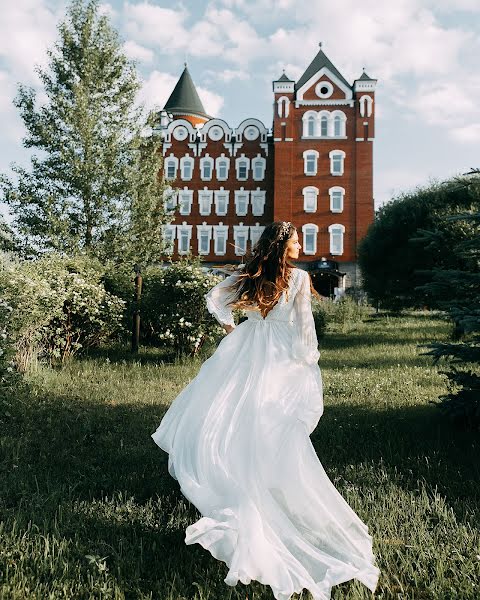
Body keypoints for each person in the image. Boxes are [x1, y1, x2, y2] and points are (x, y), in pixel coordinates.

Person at [151, 221, 380, 600]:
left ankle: (241, 475)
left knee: (235, 413)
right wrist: (308, 360)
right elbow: (305, 328)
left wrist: (232, 331)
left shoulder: (251, 275)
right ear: (282, 246)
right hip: (280, 354)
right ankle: (262, 482)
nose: (300, 244)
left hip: (247, 347)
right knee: (270, 420)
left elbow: (216, 297)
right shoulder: (301, 279)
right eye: (295, 240)